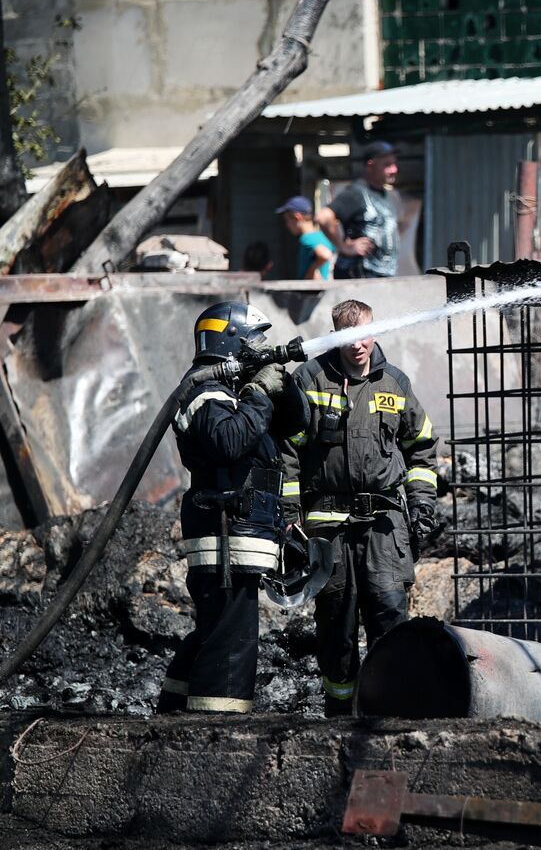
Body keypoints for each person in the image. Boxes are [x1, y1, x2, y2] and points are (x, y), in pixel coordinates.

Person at [281, 298, 440, 716]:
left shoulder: (395, 383)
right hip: (328, 530)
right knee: (336, 626)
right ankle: (339, 716)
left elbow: (421, 448)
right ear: (336, 336)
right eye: (349, 338)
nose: (358, 346)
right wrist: (287, 516)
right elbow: (287, 453)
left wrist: (423, 502)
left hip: (385, 529)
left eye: (365, 335)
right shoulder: (309, 379)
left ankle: (391, 712)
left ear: (375, 332)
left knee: (390, 617)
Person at [158, 302, 302, 714]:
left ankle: (175, 712)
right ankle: (216, 730)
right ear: (232, 341)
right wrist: (258, 394)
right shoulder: (204, 391)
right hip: (224, 535)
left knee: (215, 629)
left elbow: (295, 421)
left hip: (241, 534)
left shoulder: (235, 392)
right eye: (255, 341)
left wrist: (279, 380)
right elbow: (229, 443)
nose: (262, 346)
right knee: (232, 638)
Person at [319, 141, 400, 279]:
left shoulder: (383, 194)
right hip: (359, 278)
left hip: (382, 278)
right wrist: (343, 247)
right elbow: (323, 217)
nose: (394, 169)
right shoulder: (356, 193)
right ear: (371, 165)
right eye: (387, 165)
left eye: (394, 164)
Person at [276, 195, 335, 281]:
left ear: (297, 217)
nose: (287, 225)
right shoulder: (322, 236)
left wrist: (312, 271)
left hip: (312, 292)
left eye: (287, 220)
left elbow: (325, 255)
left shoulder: (307, 238)